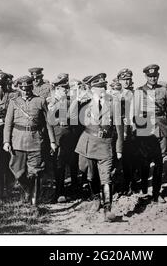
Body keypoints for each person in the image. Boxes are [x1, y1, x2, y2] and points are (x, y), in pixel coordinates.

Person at [74, 73, 124, 222]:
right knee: (90, 175)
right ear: (92, 89)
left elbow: (119, 127)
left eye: (103, 86)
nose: (102, 90)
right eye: (98, 87)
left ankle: (108, 209)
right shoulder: (86, 103)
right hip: (88, 143)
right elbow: (70, 117)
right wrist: (77, 99)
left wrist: (119, 148)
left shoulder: (113, 103)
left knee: (106, 176)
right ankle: (96, 199)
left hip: (106, 144)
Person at [3, 76, 57, 206]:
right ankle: (28, 189)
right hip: (18, 141)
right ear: (19, 89)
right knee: (17, 171)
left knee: (36, 172)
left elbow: (49, 123)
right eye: (22, 89)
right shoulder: (14, 102)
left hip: (35, 140)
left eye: (27, 89)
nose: (25, 92)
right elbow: (8, 124)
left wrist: (52, 141)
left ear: (31, 88)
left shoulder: (40, 101)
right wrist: (6, 141)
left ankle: (34, 202)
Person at [134, 64, 167, 203]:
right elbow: (135, 113)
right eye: (150, 76)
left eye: (155, 76)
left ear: (158, 76)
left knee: (159, 163)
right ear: (146, 77)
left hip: (161, 128)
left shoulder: (164, 91)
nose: (153, 78)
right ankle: (144, 191)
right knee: (144, 162)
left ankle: (156, 192)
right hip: (145, 128)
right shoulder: (139, 91)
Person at [47, 73, 79, 203]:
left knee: (72, 164)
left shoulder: (72, 101)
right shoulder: (51, 101)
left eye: (66, 89)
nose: (64, 91)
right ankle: (59, 192)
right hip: (55, 136)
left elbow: (74, 119)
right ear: (56, 89)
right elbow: (49, 120)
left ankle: (74, 190)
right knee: (58, 165)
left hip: (69, 136)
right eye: (61, 89)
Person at [117, 68, 139, 195]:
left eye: (128, 79)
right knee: (122, 158)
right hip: (119, 130)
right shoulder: (115, 94)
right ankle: (124, 184)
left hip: (133, 130)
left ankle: (133, 183)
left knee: (133, 157)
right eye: (123, 79)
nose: (126, 82)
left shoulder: (135, 94)